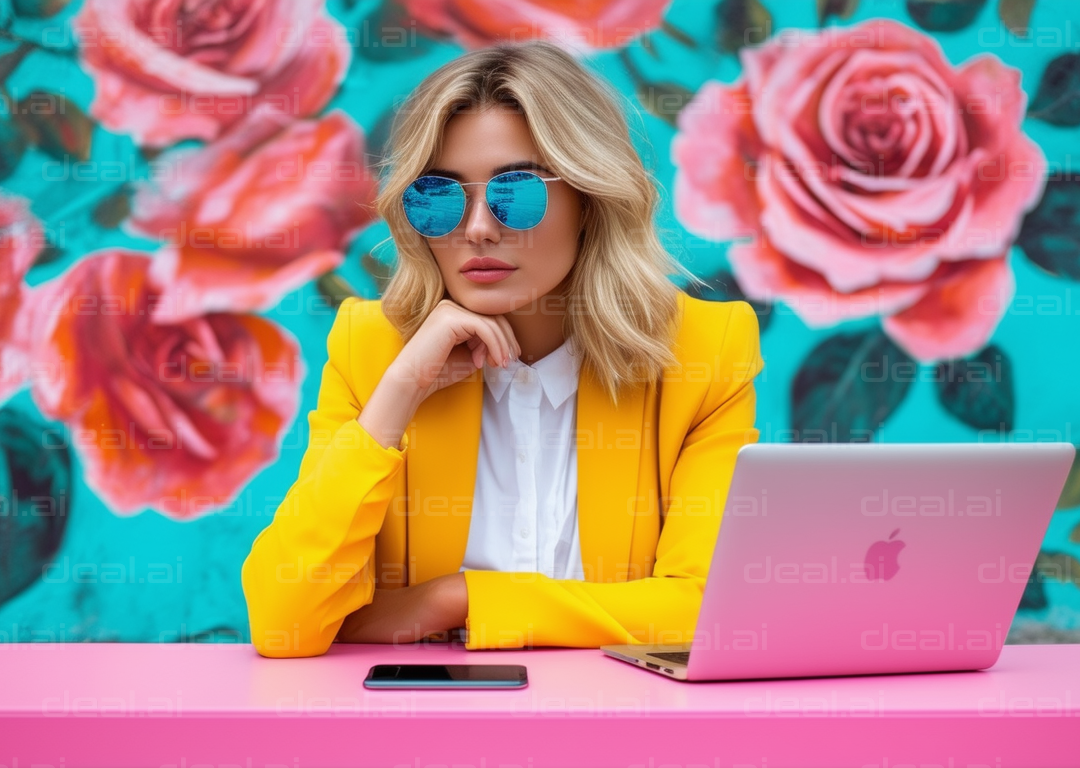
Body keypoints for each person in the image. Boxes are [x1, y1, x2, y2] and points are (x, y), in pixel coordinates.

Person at [241, 40, 764, 658]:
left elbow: (700, 612)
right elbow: (284, 623)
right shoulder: (373, 349)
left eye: (516, 191)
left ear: (591, 202)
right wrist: (398, 395)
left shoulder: (702, 354)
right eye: (439, 197)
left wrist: (455, 599)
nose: (479, 226)